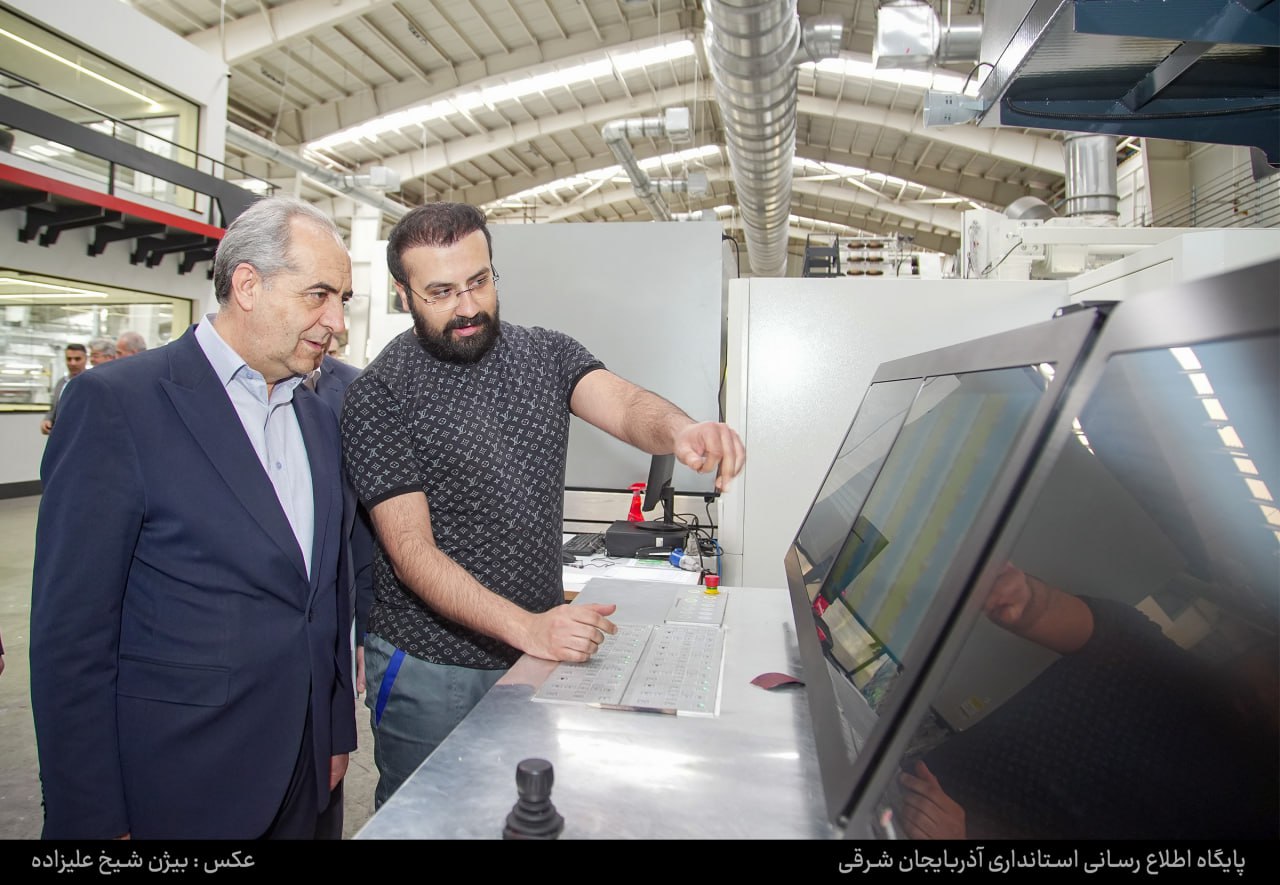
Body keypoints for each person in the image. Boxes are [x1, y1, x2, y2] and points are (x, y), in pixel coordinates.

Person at [341, 202, 747, 807]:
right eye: (442, 292)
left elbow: (626, 405)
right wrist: (530, 627)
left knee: (525, 811)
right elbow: (412, 554)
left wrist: (682, 430)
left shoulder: (547, 354)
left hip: (535, 651)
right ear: (404, 295)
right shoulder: (379, 394)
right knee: (432, 818)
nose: (468, 306)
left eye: (479, 281)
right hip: (433, 667)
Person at [30, 196, 357, 840]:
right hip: (177, 784)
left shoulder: (318, 419)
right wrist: (91, 815)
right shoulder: (116, 405)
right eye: (319, 295)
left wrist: (334, 730)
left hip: (305, 777)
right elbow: (71, 637)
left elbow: (326, 595)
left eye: (342, 299)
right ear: (248, 286)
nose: (337, 322)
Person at [898, 564, 1279, 840]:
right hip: (893, 795)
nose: (1267, 693)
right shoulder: (1145, 657)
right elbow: (1045, 609)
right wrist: (1017, 594)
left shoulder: (1248, 816)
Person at [39, 342, 86, 435]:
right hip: (60, 435)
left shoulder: (92, 383)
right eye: (69, 359)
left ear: (85, 359)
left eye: (77, 359)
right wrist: (47, 420)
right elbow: (54, 409)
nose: (73, 363)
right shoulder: (61, 383)